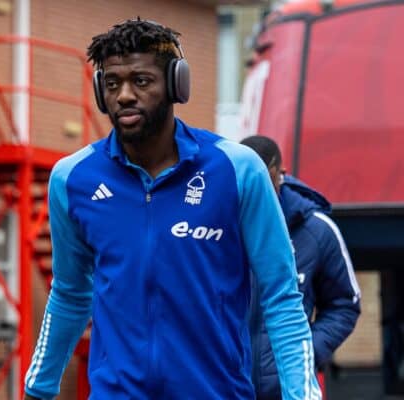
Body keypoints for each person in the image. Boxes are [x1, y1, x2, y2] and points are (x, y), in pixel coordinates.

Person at [23, 19, 321, 399]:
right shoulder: (72, 179)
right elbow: (70, 293)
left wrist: (303, 395)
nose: (125, 95)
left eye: (141, 81)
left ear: (176, 85)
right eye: (112, 84)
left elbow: (281, 295)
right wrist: (38, 389)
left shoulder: (236, 170)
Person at [241, 135, 361, 400]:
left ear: (280, 174)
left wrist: (305, 354)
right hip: (226, 387)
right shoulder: (218, 228)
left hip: (290, 390)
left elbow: (345, 303)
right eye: (247, 181)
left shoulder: (316, 231)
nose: (254, 190)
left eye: (263, 180)